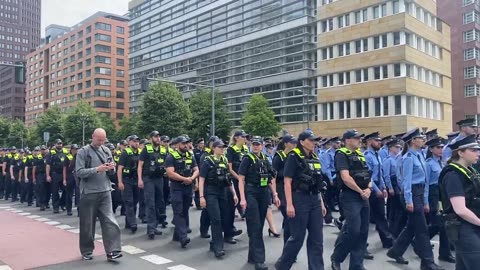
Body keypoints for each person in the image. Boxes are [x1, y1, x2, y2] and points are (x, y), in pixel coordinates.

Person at [387, 128, 443, 270]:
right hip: (410, 193)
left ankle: (395, 251)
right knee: (422, 228)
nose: (423, 140)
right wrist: (409, 200)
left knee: (412, 227)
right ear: (413, 141)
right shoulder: (408, 158)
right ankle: (428, 262)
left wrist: (425, 201)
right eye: (420, 138)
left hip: (419, 192)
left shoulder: (420, 156)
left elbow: (424, 181)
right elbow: (406, 181)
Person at [275, 131, 325, 270]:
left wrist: (321, 203)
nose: (314, 142)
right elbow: (287, 182)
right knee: (297, 238)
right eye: (311, 140)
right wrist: (289, 204)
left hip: (314, 199)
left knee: (317, 239)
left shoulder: (314, 157)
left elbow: (318, 182)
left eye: (314, 140)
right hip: (299, 199)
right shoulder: (294, 156)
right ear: (302, 142)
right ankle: (282, 266)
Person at [75, 128, 122, 261]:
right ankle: (87, 251)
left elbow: (111, 172)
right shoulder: (83, 152)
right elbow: (79, 172)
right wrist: (97, 169)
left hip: (105, 190)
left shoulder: (106, 150)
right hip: (89, 192)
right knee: (87, 224)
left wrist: (111, 168)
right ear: (92, 137)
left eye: (103, 140)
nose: (101, 142)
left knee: (110, 221)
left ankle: (113, 251)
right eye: (98, 139)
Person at [331, 129, 371, 270]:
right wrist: (361, 191)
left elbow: (368, 175)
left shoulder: (360, 154)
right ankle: (337, 257)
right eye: (356, 138)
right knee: (353, 230)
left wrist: (369, 189)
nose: (359, 140)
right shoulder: (341, 154)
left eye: (359, 138)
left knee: (363, 232)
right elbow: (345, 177)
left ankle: (356, 265)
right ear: (347, 140)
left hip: (363, 196)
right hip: (350, 196)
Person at [238, 136, 279, 270]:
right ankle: (259, 260)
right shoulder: (247, 159)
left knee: (259, 224)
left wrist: (275, 194)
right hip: (251, 191)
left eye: (258, 144)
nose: (256, 146)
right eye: (254, 144)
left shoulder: (265, 159)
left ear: (262, 146)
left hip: (263, 192)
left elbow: (270, 178)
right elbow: (241, 179)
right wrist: (242, 199)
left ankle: (252, 255)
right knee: (255, 225)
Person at [439, 135, 480, 270]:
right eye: (473, 150)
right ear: (461, 153)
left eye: (478, 150)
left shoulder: (470, 171)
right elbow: (460, 210)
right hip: (462, 227)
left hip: (470, 225)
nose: (478, 153)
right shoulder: (453, 175)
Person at [198, 140, 237, 258]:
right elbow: (201, 179)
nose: (222, 149)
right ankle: (218, 247)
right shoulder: (207, 162)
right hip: (211, 192)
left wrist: (234, 194)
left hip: (222, 192)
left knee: (224, 217)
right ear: (214, 148)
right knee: (216, 219)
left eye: (223, 147)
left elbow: (228, 180)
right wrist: (201, 197)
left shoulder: (224, 160)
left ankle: (214, 242)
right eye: (220, 147)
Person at [425, 137, 455, 263]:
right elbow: (425, 183)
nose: (441, 149)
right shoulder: (428, 163)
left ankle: (444, 253)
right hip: (433, 193)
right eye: (438, 147)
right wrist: (425, 201)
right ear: (431, 149)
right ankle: (420, 240)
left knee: (443, 224)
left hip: (441, 193)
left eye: (442, 147)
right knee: (437, 223)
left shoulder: (441, 162)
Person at [166, 136, 199, 248]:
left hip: (188, 186)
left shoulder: (190, 155)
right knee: (178, 211)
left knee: (184, 211)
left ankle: (177, 235)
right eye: (183, 143)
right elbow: (170, 173)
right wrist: (184, 179)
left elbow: (196, 169)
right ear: (177, 145)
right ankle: (183, 237)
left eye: (187, 143)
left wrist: (191, 178)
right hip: (177, 187)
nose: (186, 145)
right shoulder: (171, 157)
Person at [364, 132, 394, 248]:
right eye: (377, 141)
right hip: (369, 187)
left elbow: (380, 174)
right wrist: (376, 190)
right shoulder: (367, 156)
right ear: (370, 141)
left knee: (381, 215)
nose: (379, 142)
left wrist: (384, 187)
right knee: (364, 218)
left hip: (378, 187)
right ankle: (360, 244)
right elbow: (368, 175)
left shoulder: (377, 155)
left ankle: (387, 241)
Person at [138, 131, 168, 240]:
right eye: (155, 136)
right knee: (150, 203)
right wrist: (140, 179)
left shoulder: (163, 150)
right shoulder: (146, 149)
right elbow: (140, 166)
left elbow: (167, 164)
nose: (158, 138)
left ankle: (154, 226)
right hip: (148, 178)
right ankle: (150, 229)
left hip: (159, 179)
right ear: (151, 138)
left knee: (158, 202)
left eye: (159, 136)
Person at [272, 135, 297, 245]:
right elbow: (273, 176)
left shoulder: (295, 156)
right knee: (288, 216)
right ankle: (288, 245)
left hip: (293, 187)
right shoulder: (279, 156)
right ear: (286, 144)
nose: (294, 144)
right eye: (292, 142)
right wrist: (274, 193)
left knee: (290, 219)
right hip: (281, 187)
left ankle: (290, 244)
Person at [225, 130, 249, 244]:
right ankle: (228, 233)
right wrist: (240, 179)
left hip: (245, 181)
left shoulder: (245, 149)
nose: (245, 138)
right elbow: (230, 168)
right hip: (235, 181)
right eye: (243, 136)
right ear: (236, 138)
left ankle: (249, 230)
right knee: (231, 207)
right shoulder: (231, 150)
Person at [117, 135, 141, 234]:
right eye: (134, 141)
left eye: (138, 141)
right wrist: (120, 182)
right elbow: (119, 169)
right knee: (129, 201)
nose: (136, 143)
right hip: (127, 180)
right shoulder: (125, 153)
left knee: (135, 201)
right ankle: (133, 223)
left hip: (136, 179)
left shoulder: (140, 153)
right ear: (129, 142)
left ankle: (128, 222)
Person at [382, 138, 406, 237]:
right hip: (393, 184)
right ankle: (392, 229)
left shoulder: (399, 158)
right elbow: (386, 175)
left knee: (399, 208)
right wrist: (390, 188)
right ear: (390, 148)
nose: (399, 149)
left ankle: (398, 229)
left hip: (399, 183)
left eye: (400, 147)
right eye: (396, 147)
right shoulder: (388, 160)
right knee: (393, 208)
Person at [46, 139, 67, 213]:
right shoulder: (51, 153)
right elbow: (48, 165)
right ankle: (56, 207)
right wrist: (48, 175)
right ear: (55, 144)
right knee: (54, 192)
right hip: (55, 174)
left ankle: (62, 203)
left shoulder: (65, 152)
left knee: (66, 190)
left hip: (63, 173)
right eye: (58, 143)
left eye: (60, 143)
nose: (59, 145)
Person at [63, 144, 79, 216]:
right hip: (69, 176)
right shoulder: (67, 157)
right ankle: (68, 209)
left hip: (77, 176)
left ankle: (79, 210)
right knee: (69, 194)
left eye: (77, 149)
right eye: (75, 149)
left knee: (78, 194)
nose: (76, 150)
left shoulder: (79, 156)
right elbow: (64, 168)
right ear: (71, 150)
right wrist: (64, 179)